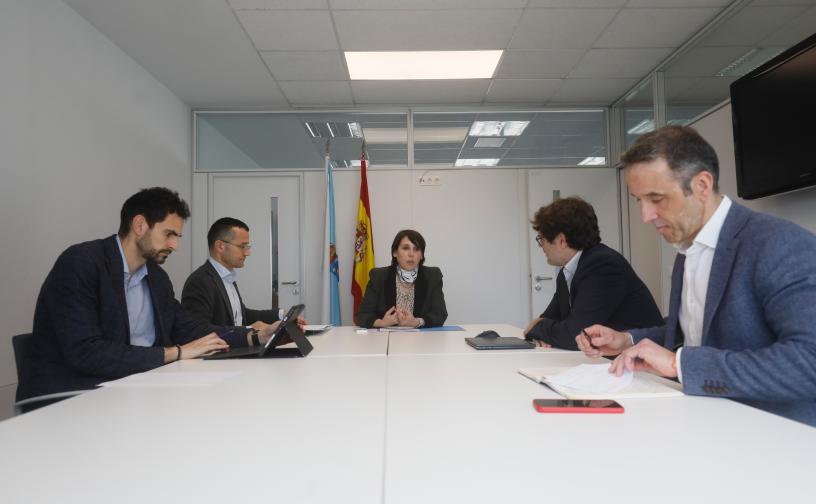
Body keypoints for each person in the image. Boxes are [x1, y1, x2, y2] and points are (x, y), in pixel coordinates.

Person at [576, 125, 816, 426]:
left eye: (657, 199)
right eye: (639, 200)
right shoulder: (688, 248)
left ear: (702, 186)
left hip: (775, 434)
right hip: (706, 420)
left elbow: (809, 361)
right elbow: (695, 332)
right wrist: (626, 340)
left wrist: (680, 364)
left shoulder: (778, 244)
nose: (646, 216)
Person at [19, 188, 277, 403]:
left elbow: (189, 328)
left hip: (139, 386)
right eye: (169, 234)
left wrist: (255, 336)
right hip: (76, 395)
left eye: (177, 236)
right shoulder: (81, 263)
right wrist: (174, 353)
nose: (175, 245)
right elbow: (86, 352)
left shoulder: (156, 277)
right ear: (140, 225)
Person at [523, 197, 662, 350]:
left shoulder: (603, 265)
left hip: (645, 358)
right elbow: (549, 319)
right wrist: (540, 332)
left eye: (541, 239)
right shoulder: (567, 272)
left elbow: (575, 335)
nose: (541, 246)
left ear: (562, 241)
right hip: (608, 358)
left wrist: (538, 328)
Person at [182, 217, 287, 331]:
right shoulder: (199, 282)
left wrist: (282, 314)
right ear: (220, 246)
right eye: (242, 246)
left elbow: (242, 315)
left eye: (247, 247)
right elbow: (198, 331)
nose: (247, 253)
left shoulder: (227, 277)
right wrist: (248, 330)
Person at [356, 229, 447, 328]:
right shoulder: (379, 276)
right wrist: (381, 323)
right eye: (405, 248)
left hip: (420, 337)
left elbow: (440, 314)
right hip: (386, 336)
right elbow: (363, 315)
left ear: (421, 255)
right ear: (395, 252)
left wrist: (417, 322)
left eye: (416, 249)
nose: (411, 254)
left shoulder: (433, 276)